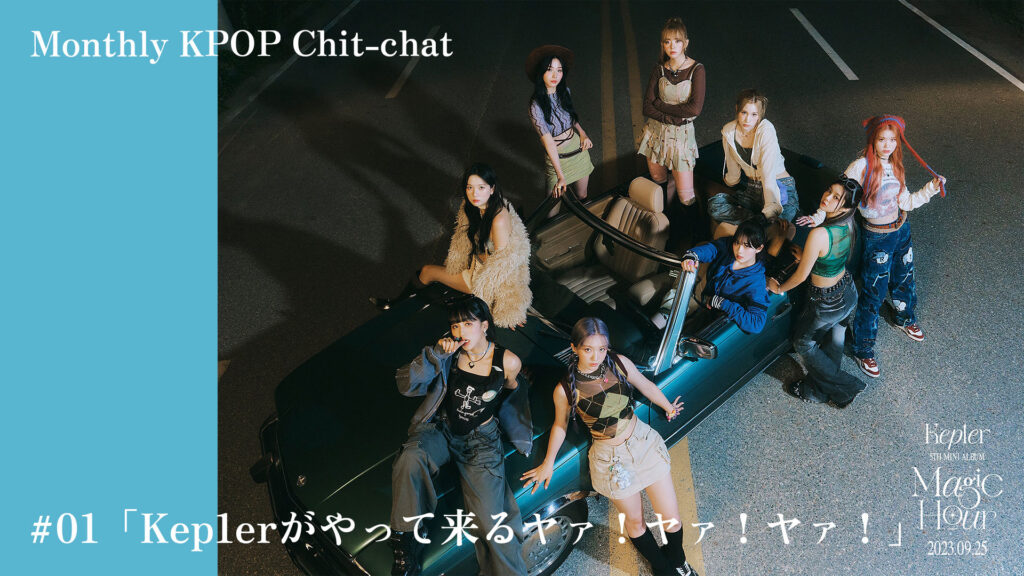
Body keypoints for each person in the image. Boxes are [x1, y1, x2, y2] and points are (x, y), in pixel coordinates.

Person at [521, 318, 697, 576]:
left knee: (671, 518)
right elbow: (560, 425)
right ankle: (663, 570)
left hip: (643, 443)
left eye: (601, 349)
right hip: (610, 459)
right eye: (588, 349)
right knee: (635, 522)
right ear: (574, 348)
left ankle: (679, 560)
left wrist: (668, 406)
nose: (596, 357)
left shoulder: (619, 363)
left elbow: (645, 385)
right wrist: (548, 463)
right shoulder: (566, 389)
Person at [389, 296, 532, 576]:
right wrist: (435, 355)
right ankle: (404, 542)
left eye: (468, 324)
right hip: (442, 430)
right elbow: (405, 385)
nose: (460, 332)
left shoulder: (508, 361)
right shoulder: (448, 353)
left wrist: (519, 435)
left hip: (481, 443)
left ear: (484, 326)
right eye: (455, 325)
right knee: (409, 458)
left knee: (492, 522)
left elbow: (512, 394)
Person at [835, 115, 946, 378]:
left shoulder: (896, 167)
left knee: (905, 278)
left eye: (892, 140)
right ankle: (863, 349)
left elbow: (906, 202)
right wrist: (821, 218)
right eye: (882, 139)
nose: (887, 145)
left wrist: (931, 188)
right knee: (873, 292)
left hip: (901, 230)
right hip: (877, 238)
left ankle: (904, 317)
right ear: (872, 140)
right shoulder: (860, 167)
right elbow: (840, 197)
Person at [371, 163, 532, 329]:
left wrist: (508, 307)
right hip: (474, 264)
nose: (474, 193)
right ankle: (401, 307)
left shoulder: (498, 220)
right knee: (430, 276)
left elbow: (504, 266)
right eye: (470, 187)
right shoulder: (479, 207)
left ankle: (393, 307)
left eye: (481, 187)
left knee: (427, 272)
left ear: (492, 189)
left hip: (479, 278)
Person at [768, 178, 865, 408]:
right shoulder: (850, 222)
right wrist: (808, 257)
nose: (827, 197)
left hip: (827, 301)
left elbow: (801, 277)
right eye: (829, 190)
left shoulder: (820, 234)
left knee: (803, 344)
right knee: (835, 339)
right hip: (847, 290)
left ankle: (849, 386)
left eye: (836, 197)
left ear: (846, 207)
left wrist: (778, 287)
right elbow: (836, 255)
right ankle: (817, 391)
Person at [636, 17, 706, 247]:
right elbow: (647, 107)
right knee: (659, 183)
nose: (672, 46)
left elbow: (695, 109)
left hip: (681, 140)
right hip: (656, 135)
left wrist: (661, 106)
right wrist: (673, 116)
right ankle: (668, 233)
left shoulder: (697, 69)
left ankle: (699, 235)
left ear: (686, 43)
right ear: (662, 45)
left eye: (677, 41)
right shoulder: (659, 69)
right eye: (667, 42)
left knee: (686, 195)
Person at [708, 89, 800, 238]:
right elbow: (733, 174)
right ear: (737, 109)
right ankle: (758, 222)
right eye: (744, 112)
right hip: (753, 189)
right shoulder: (729, 132)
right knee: (715, 204)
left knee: (778, 225)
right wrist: (730, 180)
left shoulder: (766, 131)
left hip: (779, 188)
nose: (747, 120)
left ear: (760, 115)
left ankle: (762, 222)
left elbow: (768, 176)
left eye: (754, 114)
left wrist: (771, 209)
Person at [653, 218, 770, 334]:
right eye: (737, 242)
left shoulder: (756, 282)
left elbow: (756, 324)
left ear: (759, 248)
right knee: (657, 323)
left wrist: (722, 303)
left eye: (747, 245)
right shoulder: (727, 245)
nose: (739, 250)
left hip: (712, 319)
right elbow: (711, 248)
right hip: (697, 296)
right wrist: (693, 255)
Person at [526, 45, 595, 201]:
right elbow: (548, 143)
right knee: (552, 206)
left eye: (559, 70)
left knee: (582, 196)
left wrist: (583, 134)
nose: (555, 75)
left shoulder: (564, 91)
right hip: (557, 158)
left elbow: (571, 117)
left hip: (578, 151)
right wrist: (560, 175)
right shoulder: (535, 106)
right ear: (541, 72)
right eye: (549, 69)